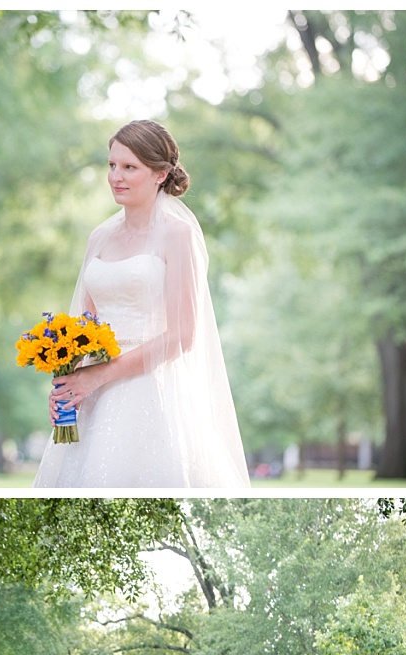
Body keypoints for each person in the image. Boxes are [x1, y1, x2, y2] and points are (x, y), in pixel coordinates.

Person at [33, 120, 249, 488]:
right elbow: (85, 327)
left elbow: (182, 335)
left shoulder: (176, 235)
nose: (116, 176)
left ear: (160, 174)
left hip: (149, 390)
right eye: (112, 165)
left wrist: (99, 375)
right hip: (93, 395)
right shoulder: (99, 237)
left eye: (129, 167)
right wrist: (69, 385)